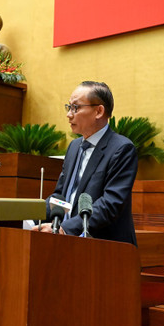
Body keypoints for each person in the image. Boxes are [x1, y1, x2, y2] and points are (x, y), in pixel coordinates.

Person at [34, 81, 138, 245]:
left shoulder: (121, 149)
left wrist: (65, 228)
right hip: (67, 242)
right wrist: (28, 216)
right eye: (68, 107)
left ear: (99, 111)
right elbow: (60, 196)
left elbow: (110, 204)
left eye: (75, 108)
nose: (69, 115)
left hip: (105, 246)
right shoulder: (74, 147)